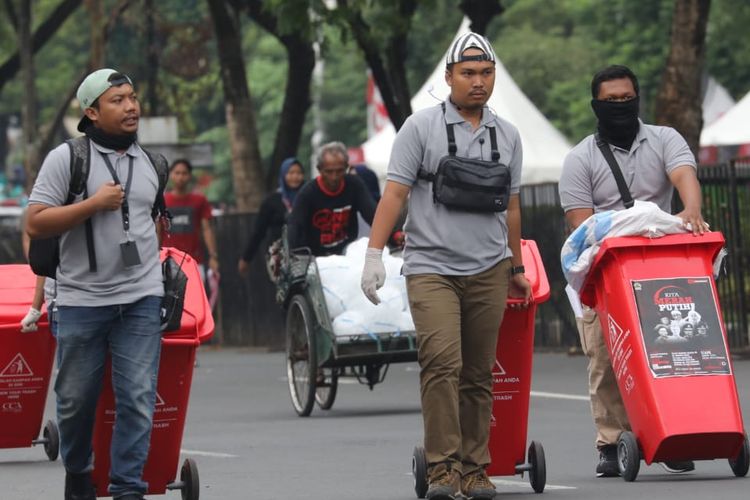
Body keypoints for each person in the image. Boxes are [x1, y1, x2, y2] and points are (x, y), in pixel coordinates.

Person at [360, 32, 531, 500]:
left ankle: (475, 469)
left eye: (486, 73)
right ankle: (441, 469)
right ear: (449, 77)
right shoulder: (419, 128)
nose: (478, 82)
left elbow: (512, 208)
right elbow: (394, 193)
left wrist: (515, 265)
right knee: (441, 364)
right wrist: (374, 255)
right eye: (469, 73)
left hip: (489, 269)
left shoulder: (508, 136)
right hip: (431, 267)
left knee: (478, 372)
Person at [559, 64, 706, 478]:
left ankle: (671, 432)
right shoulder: (579, 159)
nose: (621, 107)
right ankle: (610, 442)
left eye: (627, 99)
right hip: (603, 270)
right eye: (611, 102)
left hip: (660, 266)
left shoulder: (664, 138)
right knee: (607, 356)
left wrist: (690, 210)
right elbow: (583, 227)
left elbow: (683, 175)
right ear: (596, 106)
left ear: (638, 99)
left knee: (673, 350)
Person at [26, 68, 166, 500]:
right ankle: (79, 470)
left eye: (133, 97)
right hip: (79, 300)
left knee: (139, 398)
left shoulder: (153, 163)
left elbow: (154, 224)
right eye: (118, 100)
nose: (131, 106)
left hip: (140, 298)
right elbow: (35, 221)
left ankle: (128, 489)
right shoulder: (67, 159)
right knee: (74, 402)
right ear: (91, 112)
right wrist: (92, 204)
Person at [286, 142, 379, 257]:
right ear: (319, 169)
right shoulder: (307, 194)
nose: (334, 177)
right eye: (329, 171)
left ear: (346, 167)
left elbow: (373, 215)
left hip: (347, 254)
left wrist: (393, 235)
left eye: (339, 171)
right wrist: (298, 257)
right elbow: (295, 227)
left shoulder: (354, 185)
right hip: (316, 258)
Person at [238, 157, 304, 276]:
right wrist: (246, 258)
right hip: (279, 255)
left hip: (304, 252)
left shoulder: (307, 197)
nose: (295, 177)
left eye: (299, 173)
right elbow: (259, 231)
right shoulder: (272, 201)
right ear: (283, 174)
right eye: (291, 173)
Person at [164, 158, 219, 280]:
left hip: (193, 261)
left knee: (195, 298)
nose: (180, 177)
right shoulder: (163, 202)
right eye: (177, 173)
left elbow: (207, 229)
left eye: (184, 173)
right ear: (171, 175)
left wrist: (213, 256)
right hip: (168, 262)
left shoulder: (199, 201)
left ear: (189, 176)